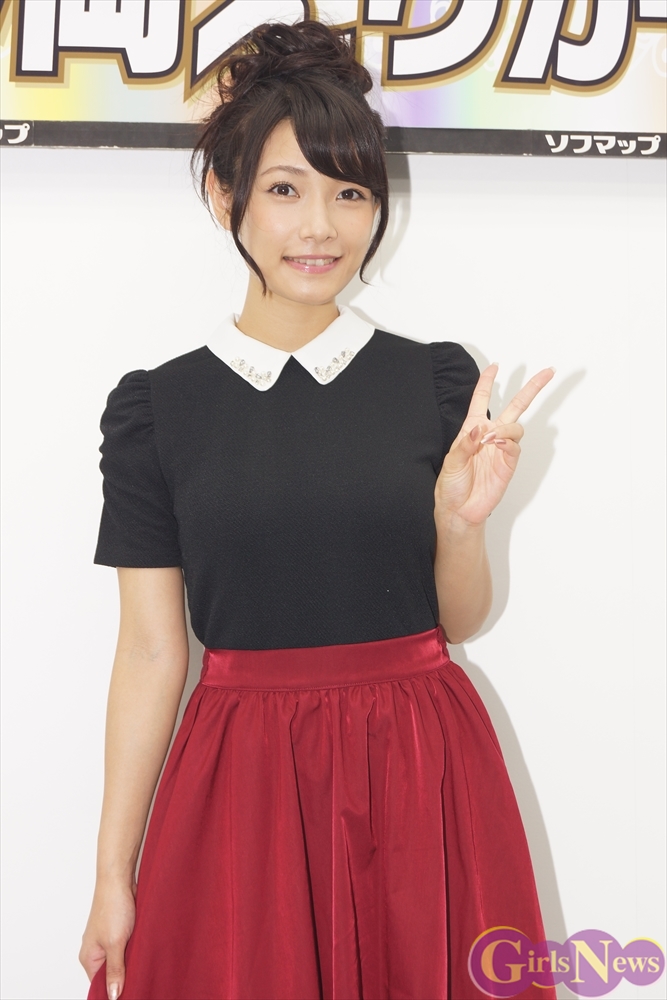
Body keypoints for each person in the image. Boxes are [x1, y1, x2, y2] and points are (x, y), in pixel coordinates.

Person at [80, 19, 556, 1000]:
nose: (321, 228)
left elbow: (457, 620)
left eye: (349, 193)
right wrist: (112, 874)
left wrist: (460, 524)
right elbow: (153, 652)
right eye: (286, 189)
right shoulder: (158, 410)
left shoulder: (434, 383)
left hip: (420, 763)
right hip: (244, 779)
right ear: (225, 197)